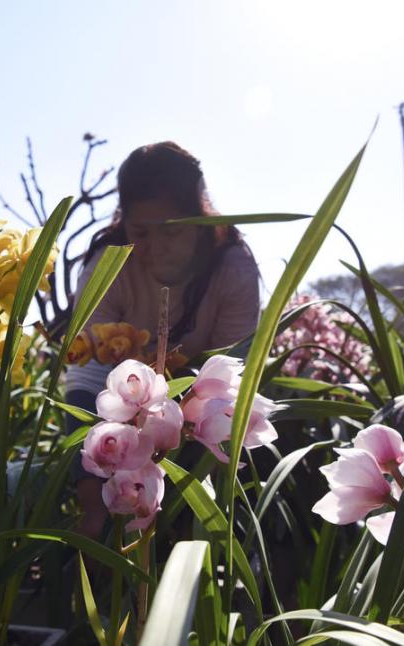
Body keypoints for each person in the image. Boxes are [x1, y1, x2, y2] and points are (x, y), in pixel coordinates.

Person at [65, 141, 261, 539]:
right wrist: (93, 488)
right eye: (141, 232)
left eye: (172, 231)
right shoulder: (110, 263)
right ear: (125, 221)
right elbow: (86, 374)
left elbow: (234, 379)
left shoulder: (233, 269)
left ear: (199, 216)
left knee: (197, 526)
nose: (155, 249)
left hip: (195, 420)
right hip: (114, 416)